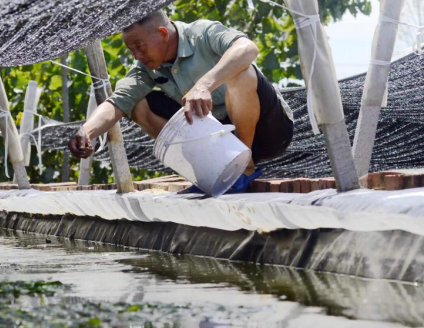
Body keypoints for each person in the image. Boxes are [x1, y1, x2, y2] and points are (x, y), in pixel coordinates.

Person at [68, 10, 293, 193]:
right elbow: (116, 103)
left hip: (270, 132)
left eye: (139, 46)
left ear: (163, 33)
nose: (136, 56)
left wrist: (205, 84)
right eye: (131, 50)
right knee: (137, 103)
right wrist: (87, 132)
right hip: (220, 141)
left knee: (242, 72)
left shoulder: (203, 32)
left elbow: (248, 48)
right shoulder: (144, 69)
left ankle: (244, 169)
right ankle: (208, 171)